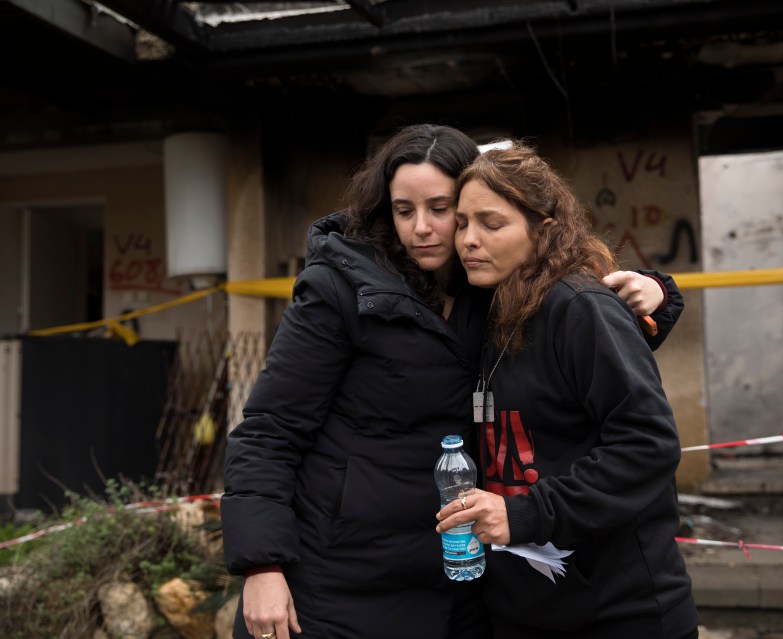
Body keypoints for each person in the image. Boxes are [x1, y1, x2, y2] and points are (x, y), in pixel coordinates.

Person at [221, 124, 684, 639]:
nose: (422, 228)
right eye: (403, 210)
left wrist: (656, 296)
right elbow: (269, 430)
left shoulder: (490, 287)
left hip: (457, 578)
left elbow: (572, 333)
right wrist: (261, 565)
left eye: (442, 210)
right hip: (340, 578)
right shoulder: (342, 290)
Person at [437, 140, 698, 639]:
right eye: (464, 222)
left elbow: (648, 443)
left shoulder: (578, 307)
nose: (469, 239)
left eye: (492, 224)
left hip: (618, 612)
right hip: (525, 609)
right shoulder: (489, 306)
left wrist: (527, 512)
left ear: (543, 230)